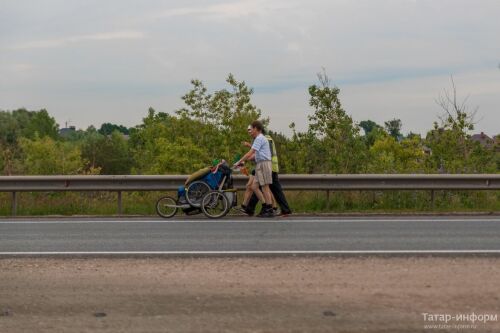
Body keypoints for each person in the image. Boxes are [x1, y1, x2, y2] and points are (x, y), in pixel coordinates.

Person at [245, 130, 292, 217]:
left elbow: (265, 153)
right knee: (269, 189)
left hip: (269, 167)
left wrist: (250, 156)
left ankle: (253, 209)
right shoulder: (266, 138)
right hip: (271, 167)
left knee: (262, 187)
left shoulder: (266, 139)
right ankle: (283, 209)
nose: (252, 134)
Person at [234, 120, 275, 217]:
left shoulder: (260, 138)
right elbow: (255, 155)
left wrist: (239, 162)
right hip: (260, 164)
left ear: (256, 129)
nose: (250, 131)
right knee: (254, 187)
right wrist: (244, 161)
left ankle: (269, 209)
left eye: (251, 129)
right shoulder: (258, 138)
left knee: (265, 187)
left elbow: (250, 152)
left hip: (264, 164)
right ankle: (265, 206)